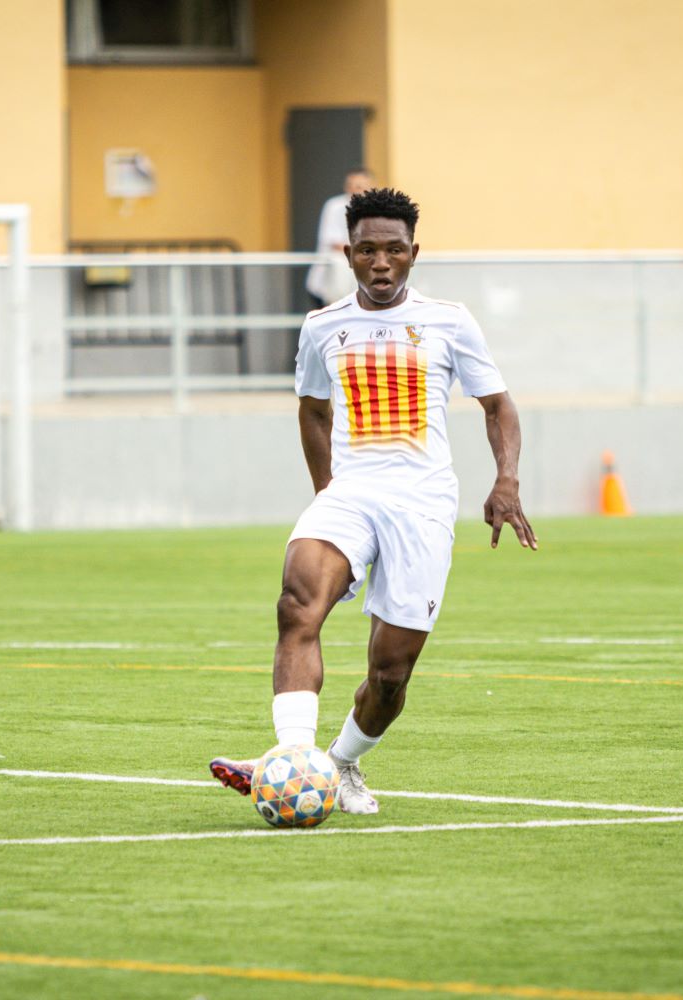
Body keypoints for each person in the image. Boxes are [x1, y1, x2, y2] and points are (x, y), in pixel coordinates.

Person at [210, 188, 537, 815]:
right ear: (348, 254)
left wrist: (507, 480)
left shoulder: (449, 321)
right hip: (351, 494)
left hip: (422, 504)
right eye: (367, 251)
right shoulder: (322, 326)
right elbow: (312, 411)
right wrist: (327, 495)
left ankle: (340, 763)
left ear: (414, 252)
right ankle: (293, 757)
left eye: (393, 250)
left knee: (390, 674)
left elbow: (497, 406)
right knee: (296, 603)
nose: (380, 262)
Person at [304, 168, 375, 307]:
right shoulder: (335, 206)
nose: (356, 190)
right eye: (352, 186)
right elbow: (334, 242)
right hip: (327, 283)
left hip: (357, 284)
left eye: (360, 186)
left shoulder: (373, 209)